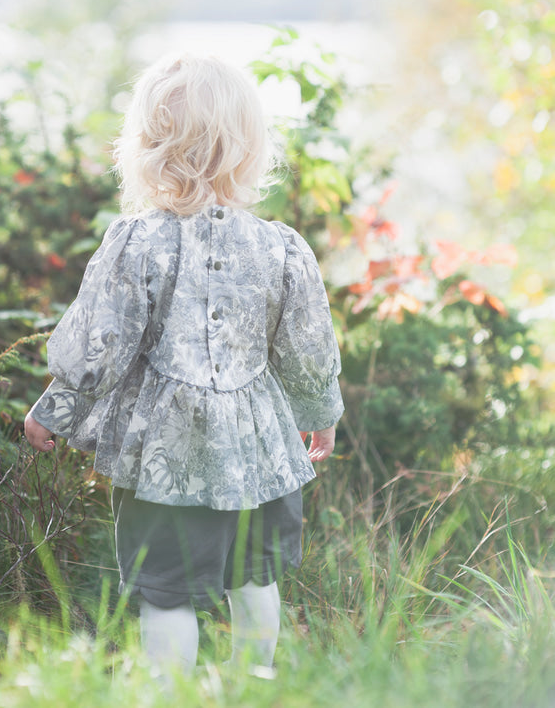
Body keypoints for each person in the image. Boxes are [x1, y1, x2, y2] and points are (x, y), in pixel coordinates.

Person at [24, 54, 343, 683]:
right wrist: (320, 415)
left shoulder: (137, 242)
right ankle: (257, 684)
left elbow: (99, 345)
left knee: (166, 591)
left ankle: (170, 696)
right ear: (250, 148)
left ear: (146, 147)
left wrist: (55, 409)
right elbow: (307, 350)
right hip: (259, 447)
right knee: (256, 576)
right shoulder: (281, 247)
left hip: (166, 455)